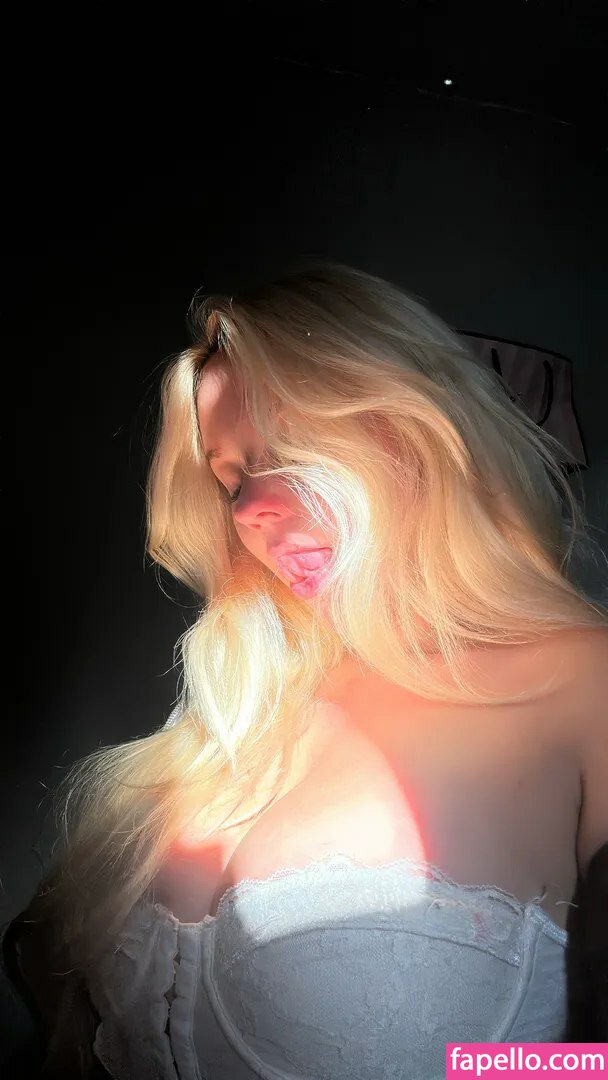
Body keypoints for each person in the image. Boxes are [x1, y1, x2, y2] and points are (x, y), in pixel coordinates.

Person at [3, 260, 608, 1078]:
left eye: (288, 449)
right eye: (230, 479)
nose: (250, 509)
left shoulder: (583, 681)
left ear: (416, 433)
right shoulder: (241, 706)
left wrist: (492, 1068)